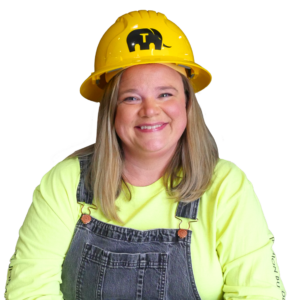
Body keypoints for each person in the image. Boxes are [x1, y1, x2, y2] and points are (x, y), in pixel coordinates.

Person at [4, 9, 286, 300]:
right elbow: (28, 291)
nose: (150, 110)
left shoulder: (226, 186)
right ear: (111, 109)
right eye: (131, 97)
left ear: (187, 103)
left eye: (165, 94)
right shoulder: (65, 183)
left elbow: (258, 293)